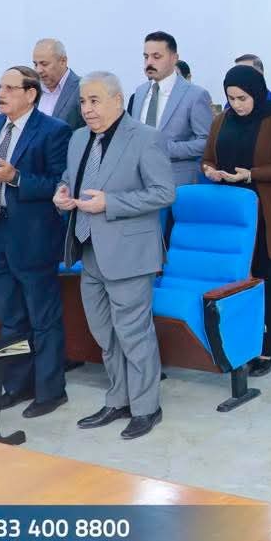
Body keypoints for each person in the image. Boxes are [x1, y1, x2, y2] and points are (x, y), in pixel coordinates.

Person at [56, 71, 174, 439]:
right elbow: (71, 178)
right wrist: (62, 193)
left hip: (130, 253)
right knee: (105, 333)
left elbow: (164, 192)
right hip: (89, 249)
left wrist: (112, 203)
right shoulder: (78, 138)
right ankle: (118, 399)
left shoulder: (146, 138)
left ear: (118, 100)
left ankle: (146, 407)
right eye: (83, 102)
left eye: (95, 101)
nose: (87, 109)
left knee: (134, 334)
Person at [0, 66, 70, 417]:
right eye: (0, 87)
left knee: (43, 318)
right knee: (9, 316)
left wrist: (17, 178)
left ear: (30, 93)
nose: (1, 94)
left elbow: (59, 183)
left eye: (9, 88)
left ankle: (50, 391)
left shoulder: (53, 130)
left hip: (34, 237)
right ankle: (17, 384)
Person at [202, 65, 271, 378]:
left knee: (265, 280)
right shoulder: (222, 120)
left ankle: (267, 348)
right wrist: (209, 170)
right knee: (235, 280)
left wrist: (251, 175)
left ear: (256, 94)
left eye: (242, 98)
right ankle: (238, 343)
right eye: (231, 98)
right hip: (232, 214)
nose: (237, 104)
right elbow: (208, 157)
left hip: (266, 214)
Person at [128, 31, 214, 186]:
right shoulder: (140, 92)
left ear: (174, 58)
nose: (149, 62)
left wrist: (166, 148)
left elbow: (207, 143)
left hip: (178, 182)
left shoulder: (195, 95)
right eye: (146, 57)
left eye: (156, 56)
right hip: (140, 182)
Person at [32, 38, 82, 129]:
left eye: (44, 64)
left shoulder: (82, 88)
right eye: (35, 64)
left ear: (63, 61)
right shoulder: (33, 90)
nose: (38, 70)